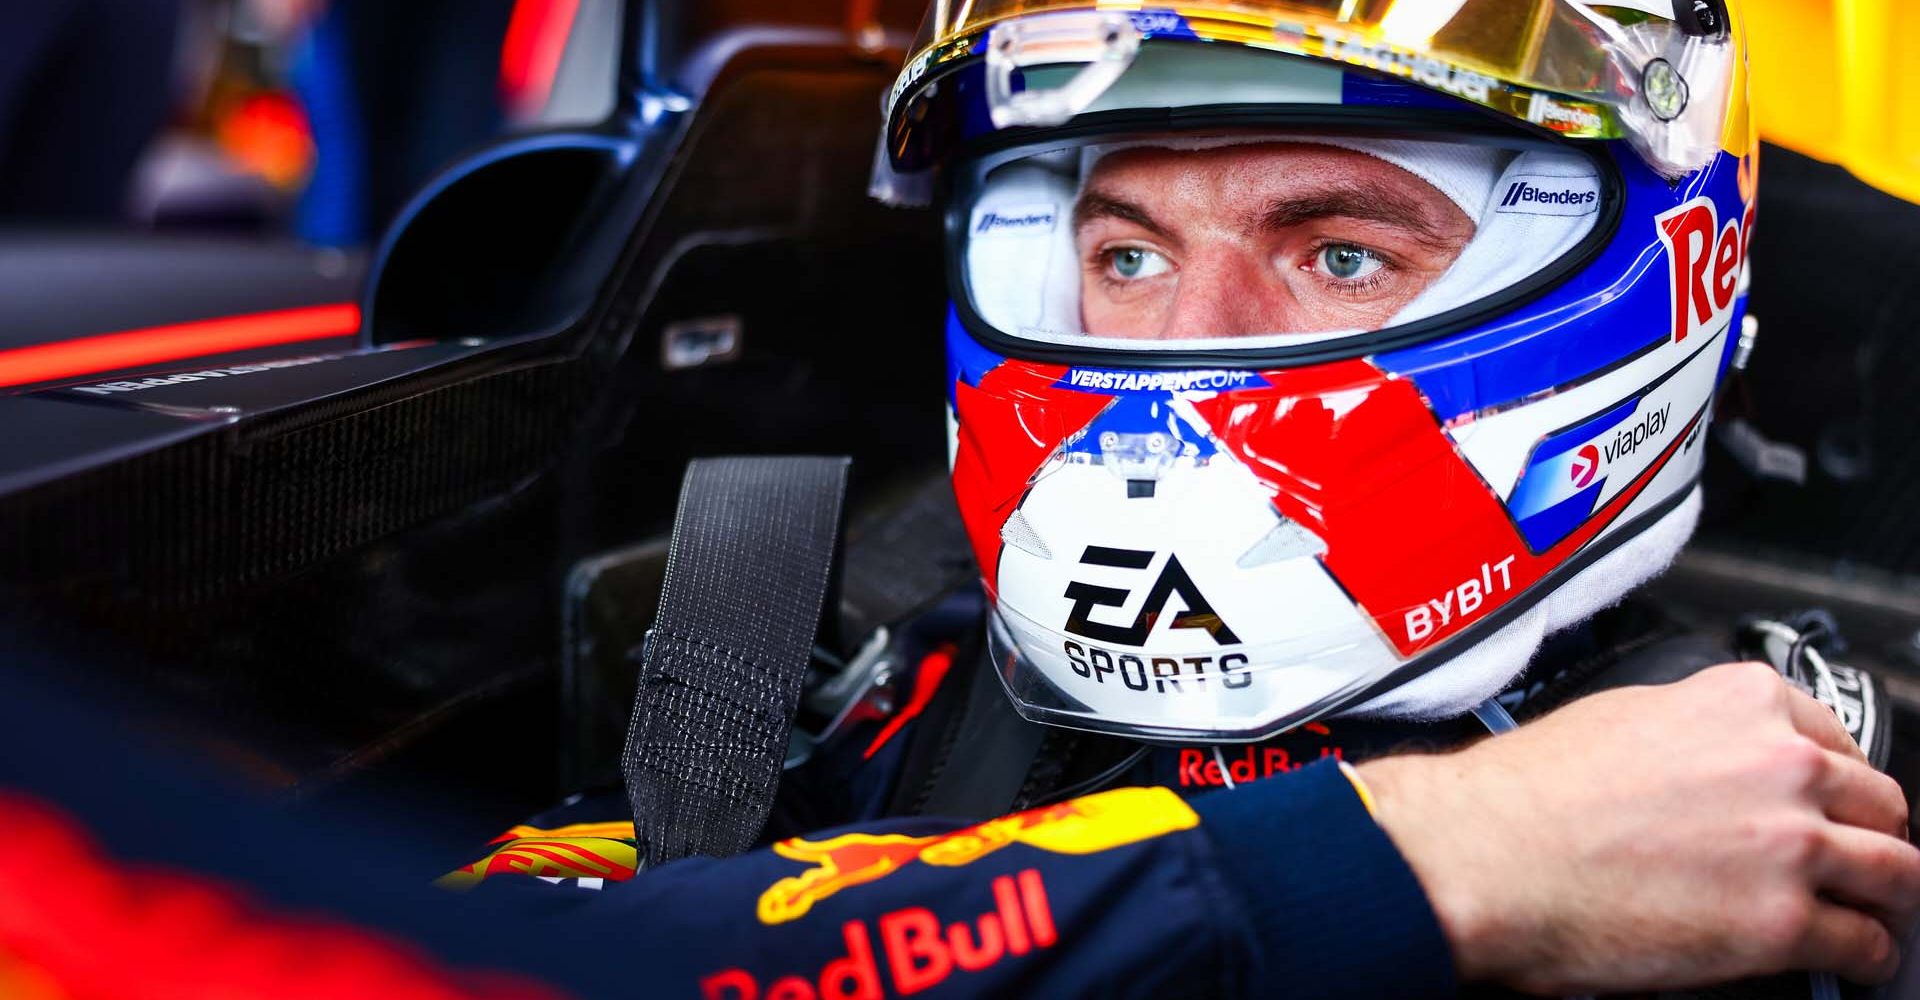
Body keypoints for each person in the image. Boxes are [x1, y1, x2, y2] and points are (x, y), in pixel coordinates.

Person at [448, 2, 1920, 997]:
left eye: (1340, 252)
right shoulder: (863, 678)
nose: (1184, 346)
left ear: (1665, 273)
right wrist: (1433, 860)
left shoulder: (1820, 809)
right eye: (1129, 254)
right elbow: (426, 954)